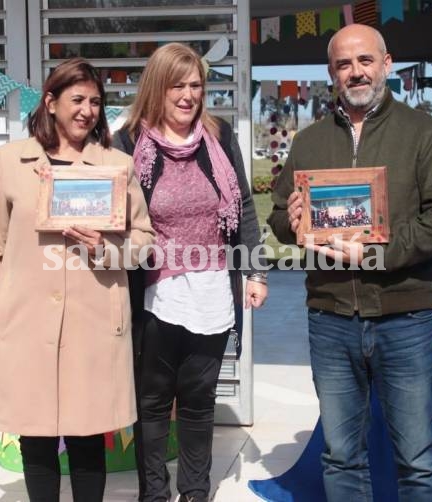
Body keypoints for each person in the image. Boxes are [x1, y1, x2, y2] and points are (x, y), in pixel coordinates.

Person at [267, 25, 432, 501]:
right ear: (331, 73)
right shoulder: (310, 141)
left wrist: (378, 254)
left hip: (406, 316)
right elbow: (279, 218)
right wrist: (290, 219)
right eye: (344, 64)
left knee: (417, 458)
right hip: (330, 316)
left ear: (386, 63)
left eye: (365, 61)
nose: (356, 72)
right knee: (340, 455)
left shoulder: (427, 134)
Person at [0, 57, 155, 502]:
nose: (87, 110)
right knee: (35, 436)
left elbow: (144, 242)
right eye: (77, 100)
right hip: (26, 319)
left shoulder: (117, 165)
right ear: (50, 103)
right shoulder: (11, 161)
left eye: (94, 101)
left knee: (88, 437)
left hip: (92, 322)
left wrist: (103, 249)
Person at [113, 43, 268, 502]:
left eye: (195, 85)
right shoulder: (126, 142)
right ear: (156, 88)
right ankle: (154, 494)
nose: (187, 95)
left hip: (212, 287)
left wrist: (255, 272)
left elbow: (243, 210)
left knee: (200, 400)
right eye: (176, 85)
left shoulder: (218, 136)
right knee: (153, 402)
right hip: (153, 292)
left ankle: (196, 492)